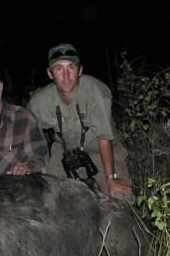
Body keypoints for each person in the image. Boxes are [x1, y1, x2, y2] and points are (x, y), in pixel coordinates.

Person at [28, 43, 133, 200]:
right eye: (59, 68)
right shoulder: (40, 101)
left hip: (102, 150)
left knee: (119, 196)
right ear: (50, 74)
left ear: (80, 70)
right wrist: (30, 164)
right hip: (64, 152)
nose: (66, 75)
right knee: (53, 199)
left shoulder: (96, 91)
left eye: (71, 67)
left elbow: (104, 137)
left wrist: (111, 179)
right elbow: (26, 129)